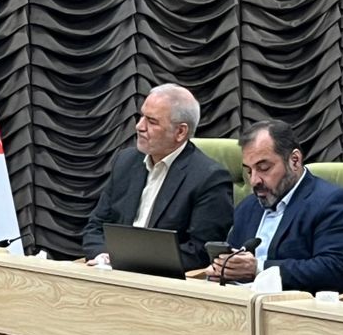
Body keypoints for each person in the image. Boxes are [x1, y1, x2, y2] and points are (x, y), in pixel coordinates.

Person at [82, 83, 233, 271]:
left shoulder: (209, 178)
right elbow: (96, 227)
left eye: (152, 121)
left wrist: (130, 262)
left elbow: (200, 251)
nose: (139, 126)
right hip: (110, 271)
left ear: (180, 132)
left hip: (161, 280)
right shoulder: (126, 162)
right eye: (142, 116)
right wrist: (103, 256)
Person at [208, 121, 343, 292]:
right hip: (239, 300)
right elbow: (235, 256)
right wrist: (223, 269)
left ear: (294, 161)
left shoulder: (334, 202)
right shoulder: (248, 206)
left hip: (296, 304)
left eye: (264, 168)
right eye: (249, 171)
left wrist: (259, 269)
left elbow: (335, 268)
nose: (254, 180)